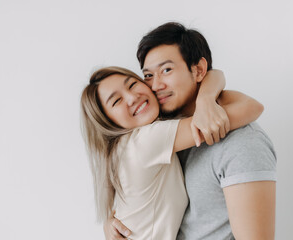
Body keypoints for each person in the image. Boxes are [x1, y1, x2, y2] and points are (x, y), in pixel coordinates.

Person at [103, 22, 277, 240]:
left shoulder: (242, 143)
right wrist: (113, 221)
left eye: (166, 70)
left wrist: (206, 99)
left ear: (199, 70)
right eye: (148, 75)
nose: (155, 86)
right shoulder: (162, 132)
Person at [81, 66, 264, 239]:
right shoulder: (145, 141)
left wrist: (205, 99)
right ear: (107, 122)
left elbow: (215, 74)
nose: (132, 97)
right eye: (116, 101)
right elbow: (251, 107)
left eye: (132, 84)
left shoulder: (125, 148)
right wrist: (206, 99)